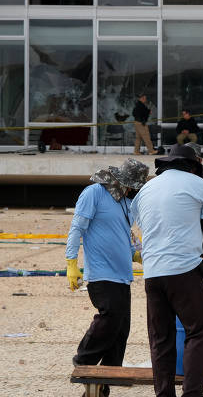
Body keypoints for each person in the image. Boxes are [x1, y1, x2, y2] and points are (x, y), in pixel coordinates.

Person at [130, 144, 203, 397]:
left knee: (161, 339)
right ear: (193, 167)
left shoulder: (146, 188)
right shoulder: (198, 184)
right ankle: (192, 394)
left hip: (152, 273)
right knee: (199, 331)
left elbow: (143, 224)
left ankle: (164, 394)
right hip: (184, 270)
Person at [66, 159, 150, 387]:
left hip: (122, 274)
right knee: (110, 316)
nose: (133, 190)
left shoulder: (125, 202)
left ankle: (109, 374)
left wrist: (143, 255)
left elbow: (127, 235)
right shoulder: (94, 193)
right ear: (122, 180)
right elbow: (77, 228)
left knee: (122, 327)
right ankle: (84, 360)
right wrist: (71, 263)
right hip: (101, 273)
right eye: (133, 186)